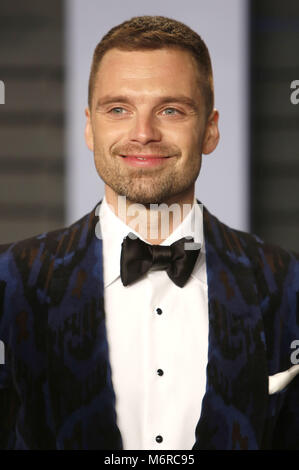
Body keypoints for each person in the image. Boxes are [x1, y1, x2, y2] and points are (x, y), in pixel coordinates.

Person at [0, 15, 299, 451]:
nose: (143, 134)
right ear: (90, 126)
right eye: (118, 109)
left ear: (210, 130)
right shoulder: (9, 282)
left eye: (171, 110)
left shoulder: (288, 284)